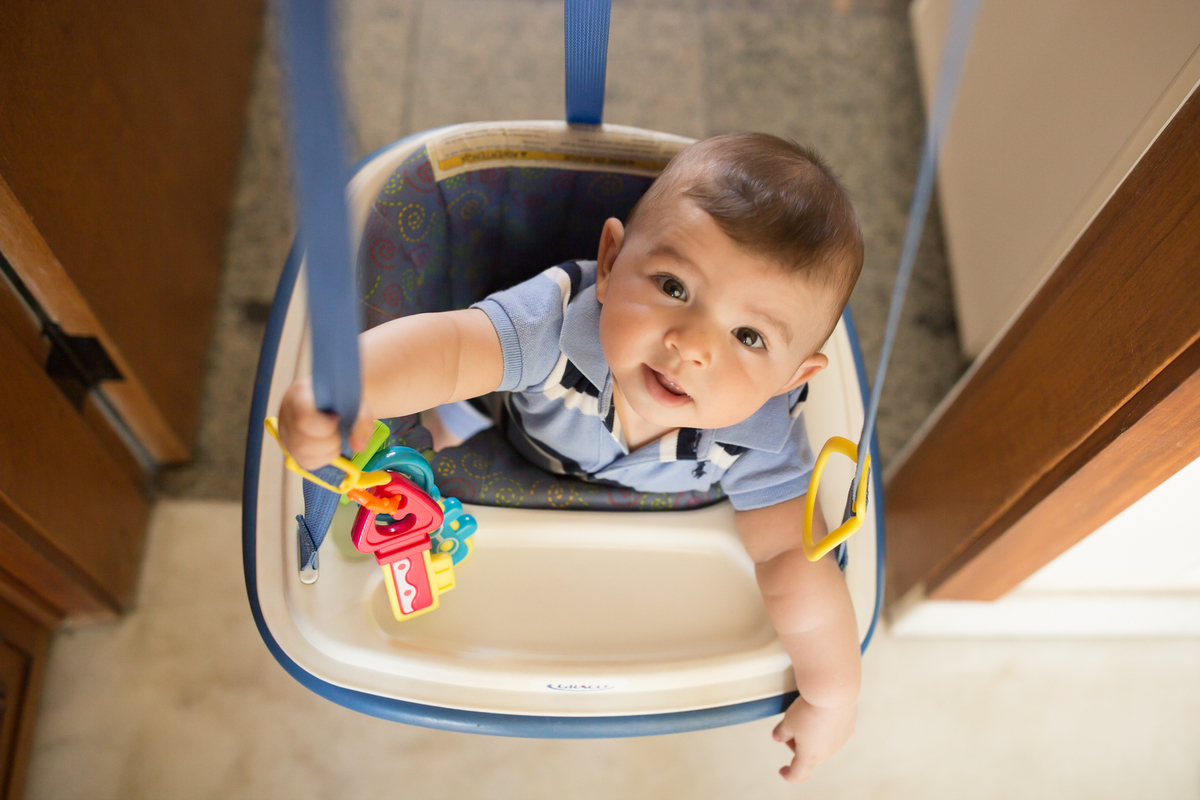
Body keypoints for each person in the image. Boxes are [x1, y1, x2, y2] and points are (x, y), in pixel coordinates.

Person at [279, 132, 864, 782]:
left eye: (749, 336)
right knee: (438, 424)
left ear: (791, 378)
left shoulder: (760, 427)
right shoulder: (556, 319)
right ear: (610, 262)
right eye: (674, 286)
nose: (691, 346)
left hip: (632, 542)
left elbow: (793, 564)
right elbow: (447, 349)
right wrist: (347, 387)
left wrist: (832, 693)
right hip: (504, 427)